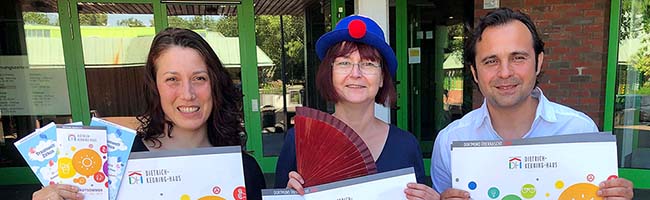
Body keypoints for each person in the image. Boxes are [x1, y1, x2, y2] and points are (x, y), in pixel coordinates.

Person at [32, 28, 266, 200]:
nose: (187, 93)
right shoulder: (114, 164)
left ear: (215, 85)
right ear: (154, 87)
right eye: (172, 79)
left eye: (199, 78)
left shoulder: (244, 170)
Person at [430, 8, 634, 199]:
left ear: (539, 62)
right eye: (491, 61)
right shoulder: (450, 141)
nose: (505, 72)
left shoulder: (580, 130)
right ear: (474, 72)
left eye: (518, 57)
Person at [274, 15, 439, 200]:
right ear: (330, 73)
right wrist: (288, 197)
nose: (356, 73)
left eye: (368, 64)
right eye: (344, 63)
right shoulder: (300, 141)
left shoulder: (406, 146)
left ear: (382, 77)